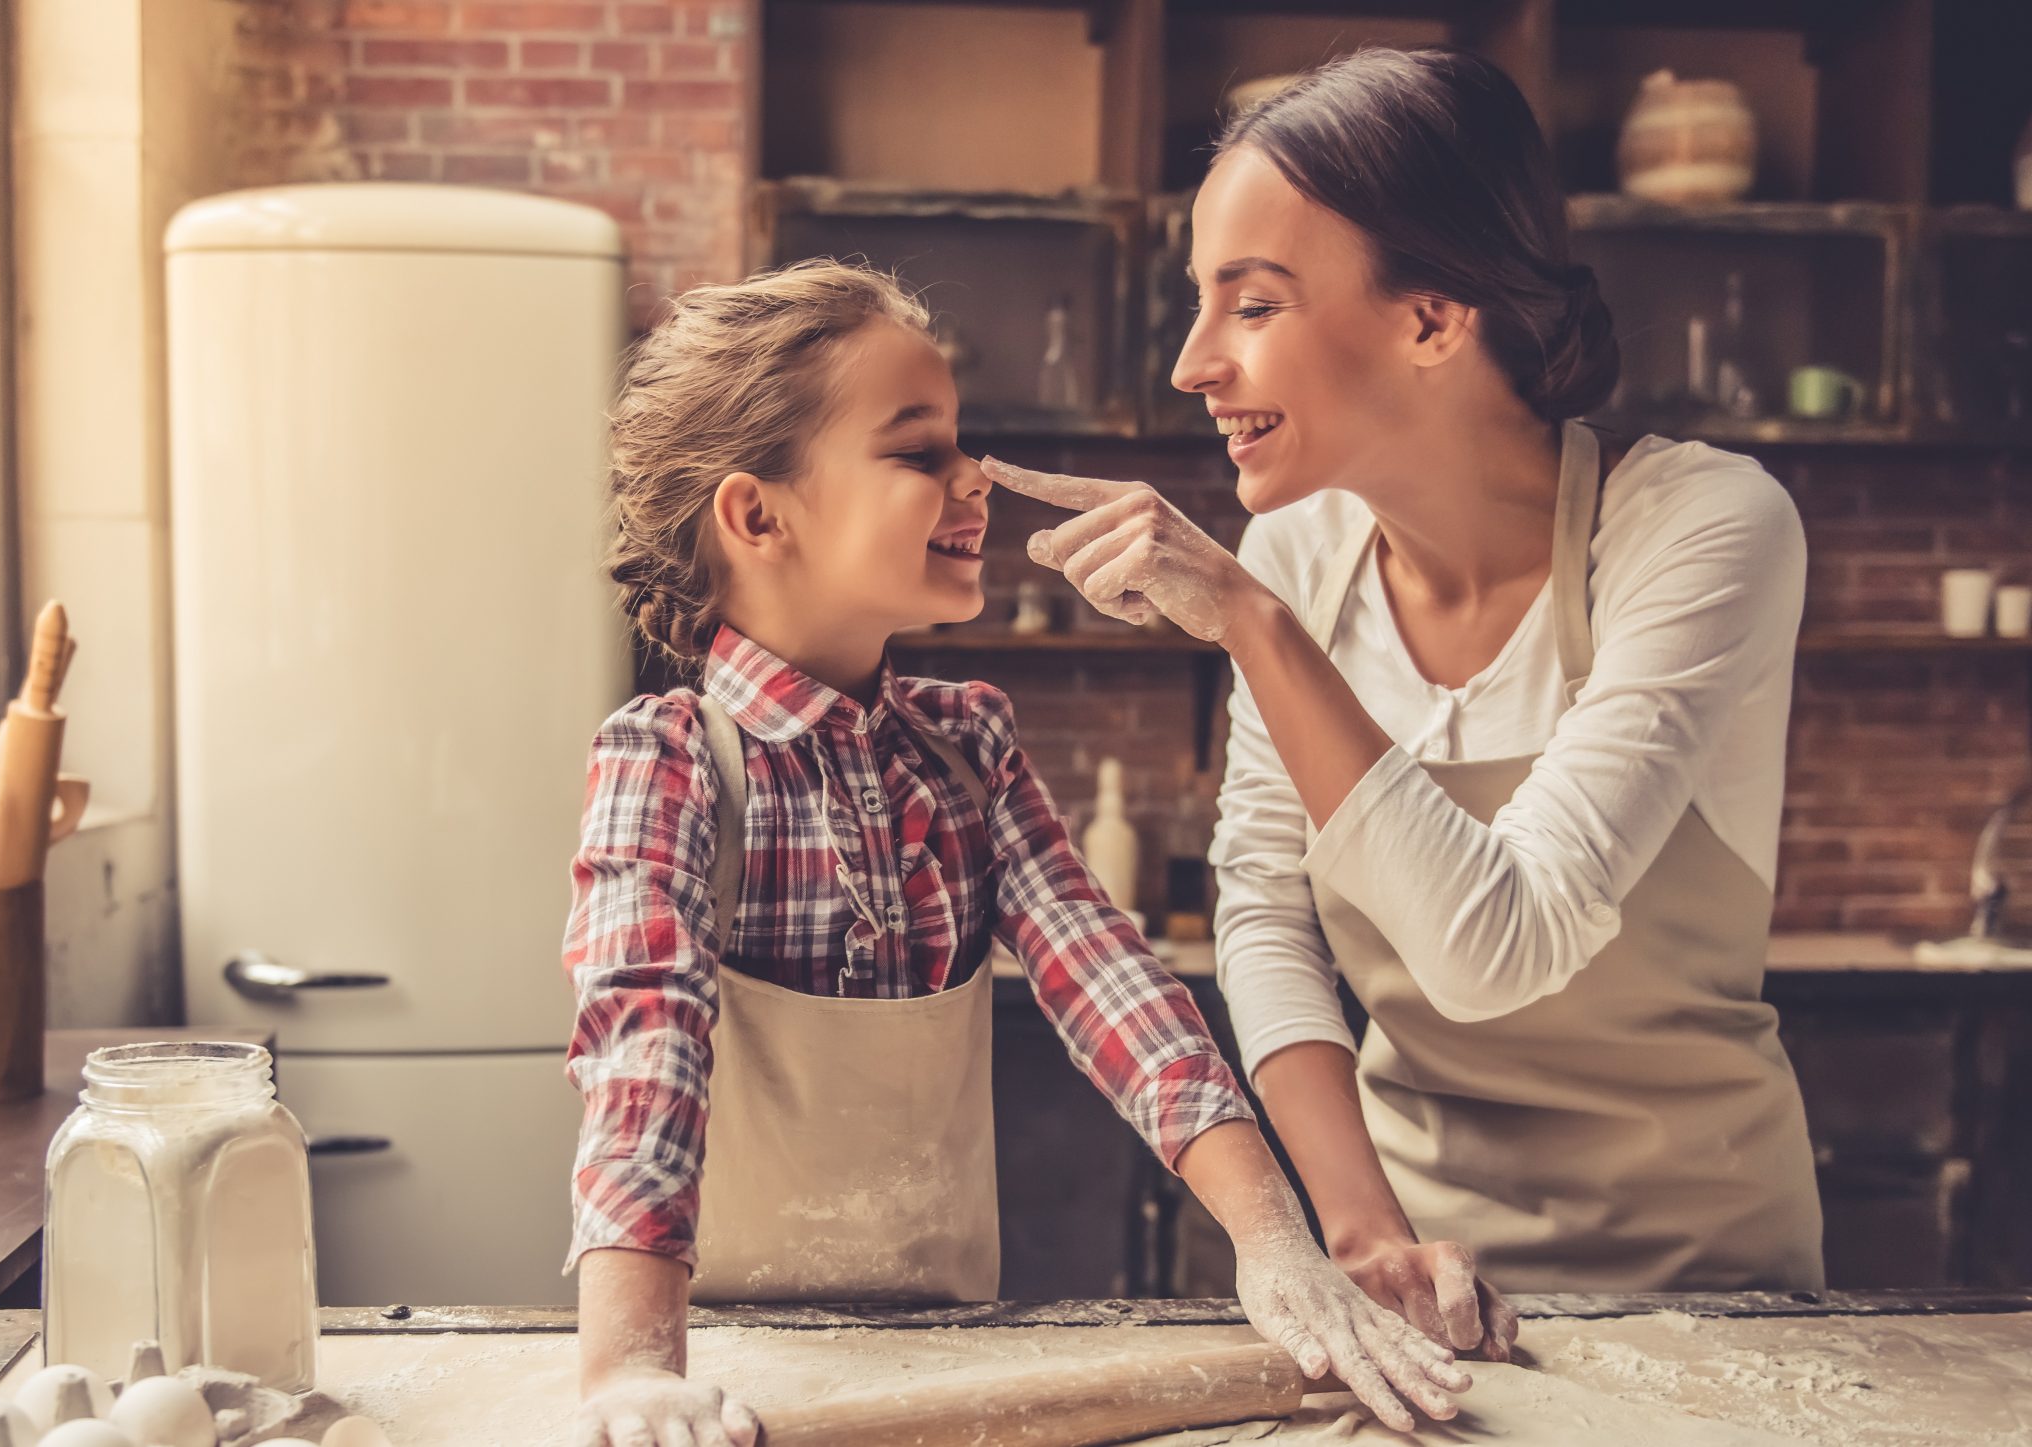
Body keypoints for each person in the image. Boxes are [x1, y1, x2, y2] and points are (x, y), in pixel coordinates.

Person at [1001, 45, 1825, 1364]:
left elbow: (1502, 940)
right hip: (1415, 1267)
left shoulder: (1702, 529)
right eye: (1198, 304)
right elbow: (1263, 901)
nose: (1191, 364)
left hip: (1706, 1282)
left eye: (1252, 305)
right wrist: (1366, 1229)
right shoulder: (1300, 554)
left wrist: (1254, 627)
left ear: (1433, 320)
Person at [563, 260, 1472, 1447]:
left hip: (953, 1357)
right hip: (727, 1376)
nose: (972, 480)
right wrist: (632, 1370)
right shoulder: (671, 759)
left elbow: (1115, 987)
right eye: (917, 451)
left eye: (963, 443)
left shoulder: (964, 746)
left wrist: (1273, 1242)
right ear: (756, 514)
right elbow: (646, 1058)